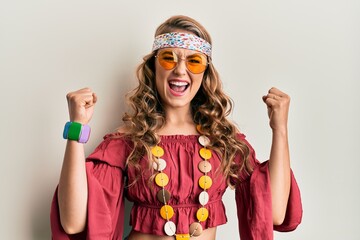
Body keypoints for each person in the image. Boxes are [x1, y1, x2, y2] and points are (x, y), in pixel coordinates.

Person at [50, 15, 302, 240]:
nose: (180, 69)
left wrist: (279, 129)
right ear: (154, 67)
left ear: (205, 73)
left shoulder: (222, 141)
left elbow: (276, 214)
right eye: (169, 58)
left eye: (194, 61)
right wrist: (76, 128)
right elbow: (73, 223)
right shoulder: (128, 140)